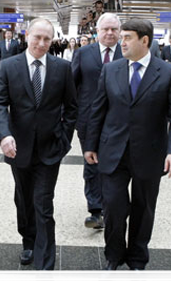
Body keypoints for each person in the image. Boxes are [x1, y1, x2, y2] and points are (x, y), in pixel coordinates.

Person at [84, 18, 171, 281]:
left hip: (149, 153)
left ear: (145, 40)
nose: (122, 42)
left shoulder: (168, 73)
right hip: (112, 153)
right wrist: (90, 145)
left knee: (144, 209)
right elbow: (98, 109)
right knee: (114, 209)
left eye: (127, 37)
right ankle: (113, 258)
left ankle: (137, 261)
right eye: (122, 37)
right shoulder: (111, 70)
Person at [0, 17, 77, 281]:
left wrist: (64, 140)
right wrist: (4, 135)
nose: (41, 43)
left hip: (50, 149)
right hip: (18, 148)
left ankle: (44, 264)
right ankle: (28, 241)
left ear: (52, 41)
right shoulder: (9, 66)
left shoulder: (62, 68)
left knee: (43, 203)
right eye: (37, 37)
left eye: (47, 39)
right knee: (23, 199)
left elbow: (72, 108)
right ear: (27, 36)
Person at [71, 12, 123, 230]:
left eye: (114, 29)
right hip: (88, 119)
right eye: (105, 29)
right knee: (91, 162)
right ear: (98, 31)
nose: (110, 33)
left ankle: (112, 205)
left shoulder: (127, 53)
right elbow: (72, 86)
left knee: (114, 164)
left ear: (120, 32)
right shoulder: (83, 53)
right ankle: (95, 210)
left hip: (119, 121)